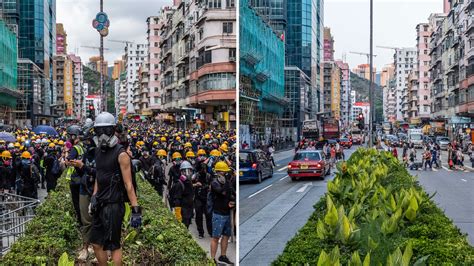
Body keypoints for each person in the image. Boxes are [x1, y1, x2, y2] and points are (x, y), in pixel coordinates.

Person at [89, 112, 142, 266]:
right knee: (96, 243)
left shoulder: (121, 154)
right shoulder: (98, 151)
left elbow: (129, 184)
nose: (103, 135)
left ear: (113, 130)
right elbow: (100, 175)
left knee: (113, 246)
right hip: (100, 203)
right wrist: (94, 195)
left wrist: (136, 209)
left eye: (106, 130)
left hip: (113, 205)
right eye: (99, 131)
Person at [210, 161, 235, 265]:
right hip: (218, 213)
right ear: (218, 172)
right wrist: (226, 183)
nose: (225, 174)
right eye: (224, 172)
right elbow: (221, 192)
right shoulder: (214, 182)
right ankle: (212, 259)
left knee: (226, 236)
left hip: (227, 213)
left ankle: (223, 256)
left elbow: (232, 193)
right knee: (216, 237)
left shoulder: (228, 182)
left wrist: (233, 201)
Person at [171, 160, 194, 228]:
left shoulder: (189, 182)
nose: (188, 173)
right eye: (185, 171)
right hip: (183, 212)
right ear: (181, 172)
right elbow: (177, 200)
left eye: (189, 171)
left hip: (188, 210)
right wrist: (178, 215)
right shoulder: (179, 184)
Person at [194, 158, 212, 238]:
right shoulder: (195, 176)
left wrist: (207, 187)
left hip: (206, 198)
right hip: (198, 197)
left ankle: (210, 232)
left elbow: (212, 185)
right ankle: (201, 232)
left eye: (204, 168)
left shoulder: (208, 176)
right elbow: (190, 184)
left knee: (208, 216)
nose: (203, 170)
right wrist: (196, 184)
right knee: (199, 216)